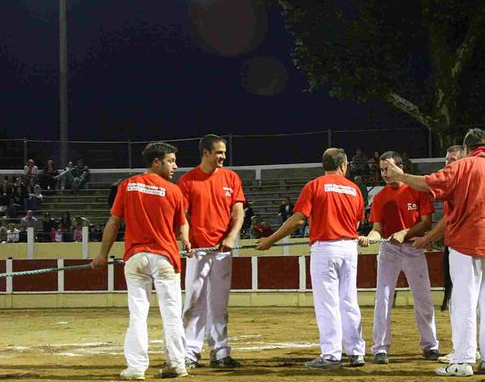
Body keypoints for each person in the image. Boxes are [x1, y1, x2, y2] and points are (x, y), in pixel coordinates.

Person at [385, 129, 485, 377]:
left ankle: (463, 360)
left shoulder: (464, 166)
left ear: (467, 149)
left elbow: (428, 183)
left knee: (464, 300)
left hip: (468, 242)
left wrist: (401, 175)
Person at [256, 148, 366, 369]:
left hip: (325, 247)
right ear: (343, 166)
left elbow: (298, 220)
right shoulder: (355, 189)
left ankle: (331, 354)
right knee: (349, 300)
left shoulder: (314, 186)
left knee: (328, 303)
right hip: (349, 248)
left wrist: (271, 240)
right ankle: (356, 352)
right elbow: (356, 223)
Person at [92, 142, 189, 381]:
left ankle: (136, 368)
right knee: (172, 313)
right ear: (156, 162)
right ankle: (177, 363)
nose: (175, 166)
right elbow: (182, 224)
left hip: (136, 257)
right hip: (165, 256)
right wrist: (186, 240)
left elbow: (113, 222)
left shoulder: (127, 185)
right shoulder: (174, 190)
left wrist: (102, 254)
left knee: (138, 313)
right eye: (171, 161)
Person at [359, 150, 439, 364]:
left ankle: (430, 345)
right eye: (382, 169)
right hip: (390, 251)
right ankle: (380, 348)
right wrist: (370, 238)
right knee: (382, 298)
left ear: (400, 167)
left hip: (413, 247)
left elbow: (426, 223)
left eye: (389, 168)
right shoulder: (380, 197)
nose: (385, 173)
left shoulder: (417, 190)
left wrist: (405, 233)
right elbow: (377, 229)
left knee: (423, 298)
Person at [178, 135, 247, 369]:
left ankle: (220, 352)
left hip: (222, 250)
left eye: (224, 153)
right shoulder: (188, 181)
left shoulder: (231, 178)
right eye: (219, 152)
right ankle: (190, 352)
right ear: (205, 153)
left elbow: (239, 213)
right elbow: (182, 217)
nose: (223, 157)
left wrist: (230, 237)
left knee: (219, 303)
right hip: (197, 250)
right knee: (194, 301)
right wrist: (186, 239)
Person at [413, 145, 466, 316]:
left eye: (453, 160)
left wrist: (426, 240)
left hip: (464, 247)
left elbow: (447, 219)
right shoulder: (452, 184)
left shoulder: (461, 184)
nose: (448, 163)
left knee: (464, 293)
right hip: (453, 244)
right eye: (447, 159)